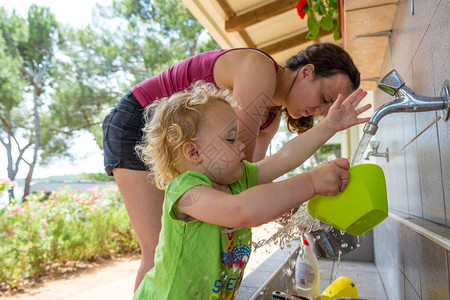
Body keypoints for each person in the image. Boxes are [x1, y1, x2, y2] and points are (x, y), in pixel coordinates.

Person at [102, 43, 366, 290]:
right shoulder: (260, 71)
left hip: (186, 150)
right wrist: (306, 185)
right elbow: (239, 196)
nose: (321, 110)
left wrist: (330, 126)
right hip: (140, 119)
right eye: (325, 97)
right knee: (156, 249)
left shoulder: (270, 117)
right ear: (307, 72)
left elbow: (251, 174)